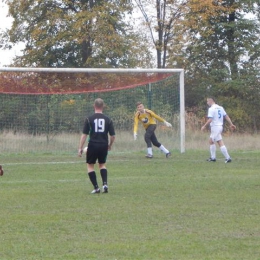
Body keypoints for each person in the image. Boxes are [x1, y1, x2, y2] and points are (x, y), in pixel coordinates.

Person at [78, 98, 115, 194]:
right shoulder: (108, 119)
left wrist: (80, 148)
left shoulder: (89, 119)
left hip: (93, 145)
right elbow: (113, 136)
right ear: (103, 106)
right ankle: (105, 184)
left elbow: (84, 135)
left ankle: (96, 188)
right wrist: (109, 145)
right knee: (102, 164)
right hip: (103, 145)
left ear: (94, 106)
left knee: (90, 166)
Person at [201, 97, 236, 163]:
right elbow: (226, 116)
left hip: (215, 127)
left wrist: (204, 126)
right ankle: (226, 158)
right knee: (219, 142)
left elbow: (210, 119)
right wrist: (231, 124)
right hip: (220, 126)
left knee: (211, 141)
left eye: (207, 101)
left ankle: (214, 158)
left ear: (211, 101)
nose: (207, 103)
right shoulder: (220, 107)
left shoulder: (211, 109)